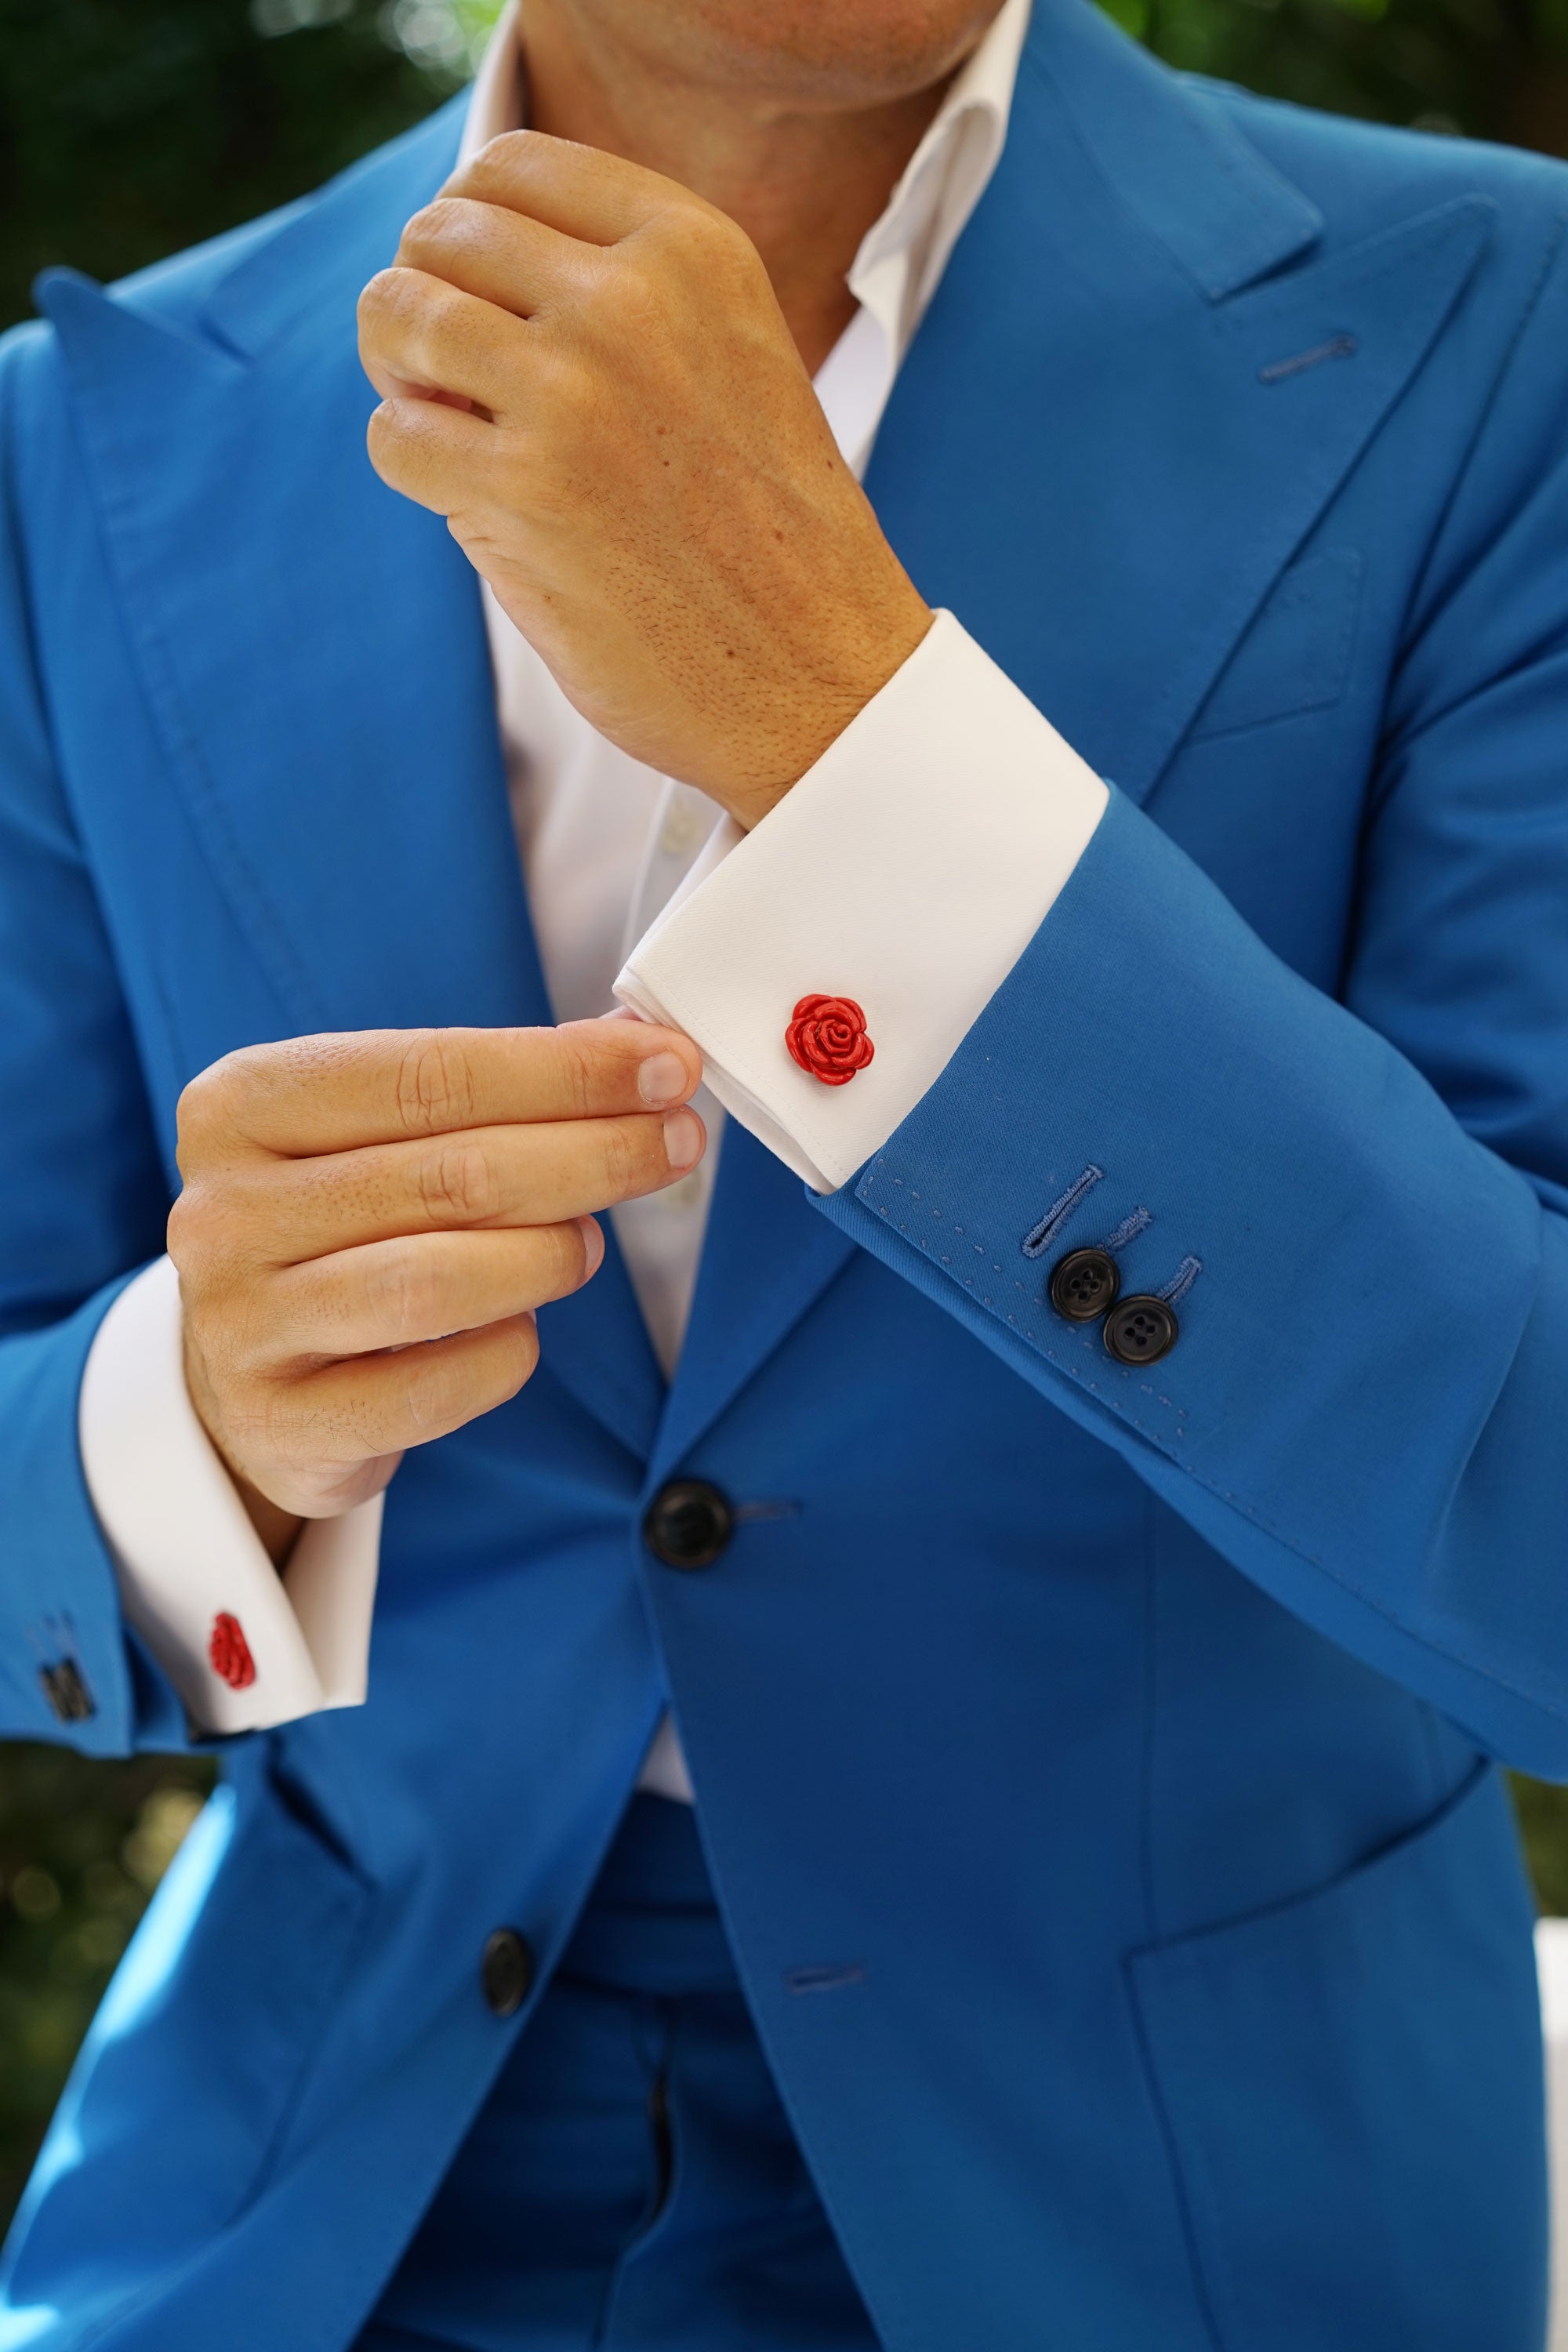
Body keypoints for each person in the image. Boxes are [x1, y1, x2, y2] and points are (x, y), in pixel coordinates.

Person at [0, 0, 1566, 2339]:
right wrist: (191, 1417)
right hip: (324, 2204)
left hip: (1193, 2216)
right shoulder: (83, 446)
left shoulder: (1504, 328)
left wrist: (846, 743)